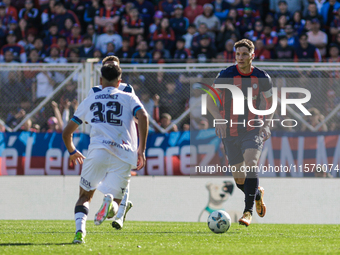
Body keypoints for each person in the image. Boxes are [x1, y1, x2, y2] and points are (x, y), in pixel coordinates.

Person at [63, 63, 148, 244]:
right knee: (117, 203)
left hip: (97, 152)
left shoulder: (91, 99)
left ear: (100, 81)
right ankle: (110, 203)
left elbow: (67, 132)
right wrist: (142, 149)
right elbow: (144, 116)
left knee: (85, 196)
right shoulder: (128, 97)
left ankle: (80, 233)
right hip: (124, 154)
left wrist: (72, 151)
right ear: (120, 82)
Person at [207, 39, 273, 227]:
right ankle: (257, 194)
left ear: (253, 55)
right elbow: (209, 100)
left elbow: (270, 104)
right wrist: (218, 118)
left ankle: (247, 212)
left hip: (252, 128)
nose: (240, 58)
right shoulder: (226, 75)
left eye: (244, 54)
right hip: (230, 131)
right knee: (239, 180)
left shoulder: (262, 77)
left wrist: (267, 124)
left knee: (251, 163)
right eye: (237, 54)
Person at [88, 56, 137, 230]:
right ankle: (118, 210)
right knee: (119, 181)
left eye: (113, 67)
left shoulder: (124, 89)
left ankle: (120, 214)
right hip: (112, 143)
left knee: (121, 180)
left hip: (113, 142)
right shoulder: (98, 91)